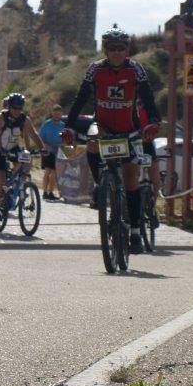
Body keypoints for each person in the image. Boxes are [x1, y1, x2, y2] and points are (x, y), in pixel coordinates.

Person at [62, 25, 160, 254]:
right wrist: (68, 127)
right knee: (93, 141)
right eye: (112, 48)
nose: (116, 52)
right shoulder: (95, 70)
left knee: (131, 180)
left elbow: (148, 99)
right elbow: (80, 99)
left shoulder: (136, 70)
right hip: (104, 126)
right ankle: (100, 183)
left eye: (121, 48)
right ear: (105, 50)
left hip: (129, 130)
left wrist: (154, 121)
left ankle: (135, 231)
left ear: (127, 49)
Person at [0, 93, 43, 219]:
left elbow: (33, 134)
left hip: (13, 147)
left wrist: (43, 149)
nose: (17, 111)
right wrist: (1, 149)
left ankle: (15, 186)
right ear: (9, 107)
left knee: (27, 162)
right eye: (15, 108)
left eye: (20, 108)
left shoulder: (24, 119)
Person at [38, 104, 65, 201]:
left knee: (54, 172)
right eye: (55, 113)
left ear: (61, 114)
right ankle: (45, 192)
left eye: (59, 114)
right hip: (47, 150)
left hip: (58, 151)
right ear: (52, 113)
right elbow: (40, 137)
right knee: (47, 171)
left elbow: (65, 139)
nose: (57, 115)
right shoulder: (47, 124)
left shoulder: (63, 125)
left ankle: (50, 192)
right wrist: (45, 145)